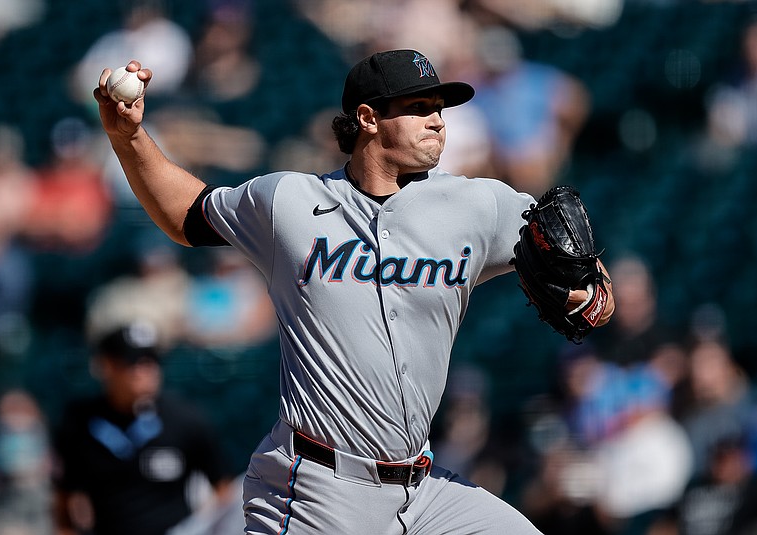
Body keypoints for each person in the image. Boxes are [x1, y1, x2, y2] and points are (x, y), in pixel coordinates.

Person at [93, 49, 614, 534]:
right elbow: (187, 214)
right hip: (320, 487)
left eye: (440, 107)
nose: (438, 120)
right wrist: (129, 139)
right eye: (419, 107)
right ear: (367, 118)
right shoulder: (288, 203)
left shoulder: (480, 207)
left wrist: (589, 293)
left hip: (425, 490)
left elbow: (583, 269)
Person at [51, 320, 237, 535]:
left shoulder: (185, 420)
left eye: (151, 361)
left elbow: (224, 492)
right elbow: (64, 499)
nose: (144, 371)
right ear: (106, 366)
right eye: (132, 362)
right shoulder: (80, 423)